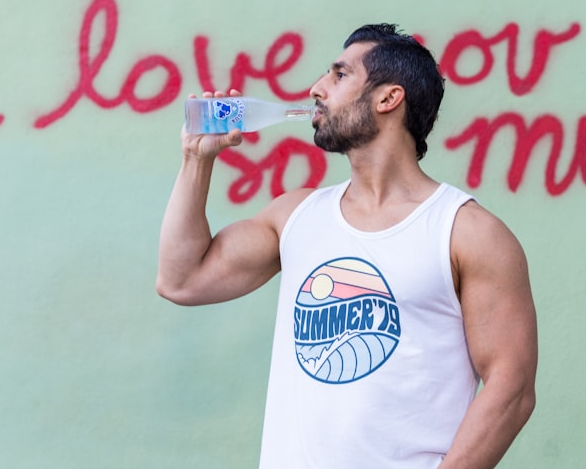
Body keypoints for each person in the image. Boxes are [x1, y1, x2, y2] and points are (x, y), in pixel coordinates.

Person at [157, 24, 537, 468]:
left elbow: (512, 389)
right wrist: (195, 160)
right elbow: (181, 279)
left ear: (387, 98)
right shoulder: (294, 216)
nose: (317, 88)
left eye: (339, 75)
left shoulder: (466, 232)